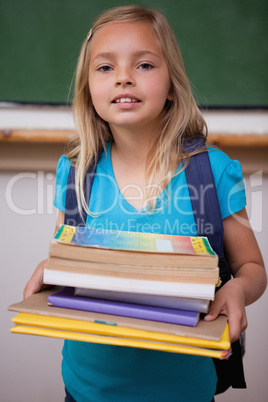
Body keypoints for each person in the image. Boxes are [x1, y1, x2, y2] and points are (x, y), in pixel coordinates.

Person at [23, 5, 266, 402]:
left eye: (145, 65)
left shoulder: (213, 172)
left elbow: (253, 268)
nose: (123, 77)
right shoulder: (75, 172)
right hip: (85, 389)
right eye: (105, 68)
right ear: (88, 89)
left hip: (184, 391)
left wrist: (237, 290)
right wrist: (52, 267)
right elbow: (68, 260)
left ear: (172, 84)